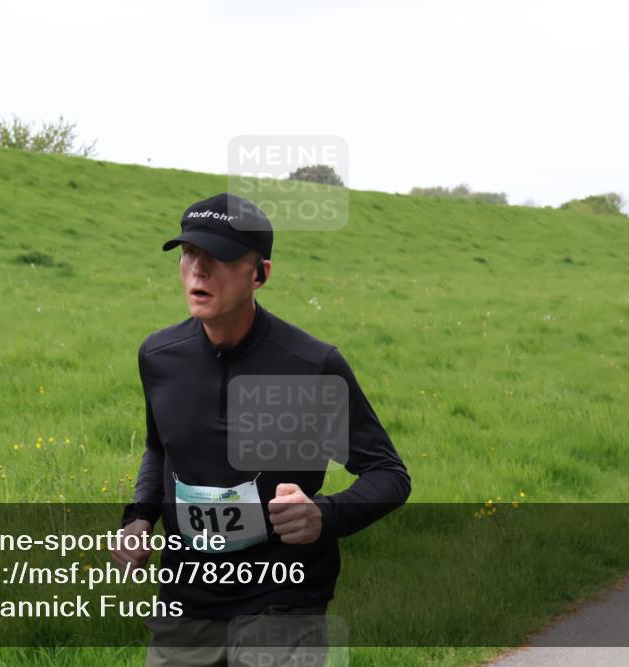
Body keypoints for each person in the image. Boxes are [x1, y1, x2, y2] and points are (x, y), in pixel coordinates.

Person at [112, 192, 411, 666]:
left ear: (261, 274)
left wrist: (324, 515)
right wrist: (140, 516)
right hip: (187, 599)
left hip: (282, 598)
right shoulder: (160, 356)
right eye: (189, 253)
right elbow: (160, 446)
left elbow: (389, 474)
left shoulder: (311, 366)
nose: (198, 270)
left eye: (218, 257)